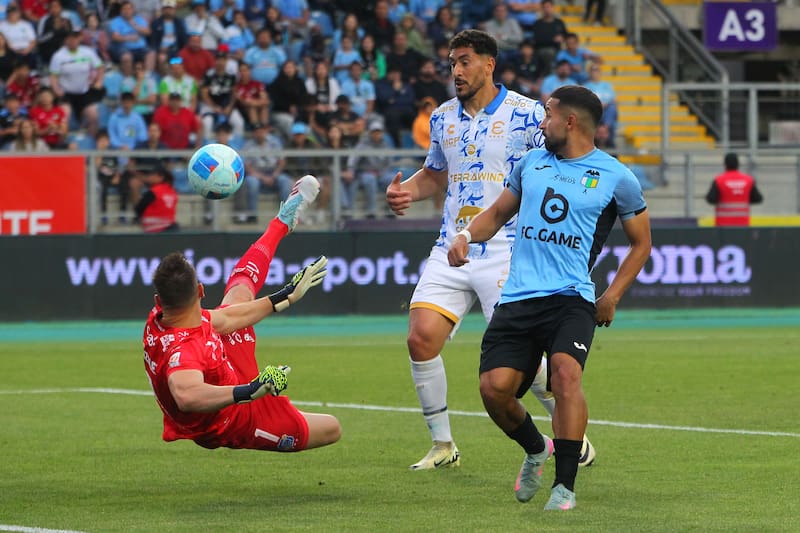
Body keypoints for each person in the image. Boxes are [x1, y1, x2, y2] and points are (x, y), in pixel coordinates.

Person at [385, 30, 594, 472]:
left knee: (525, 359)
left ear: (488, 64)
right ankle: (443, 445)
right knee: (420, 338)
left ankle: (572, 432)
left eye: (464, 62)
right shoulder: (442, 118)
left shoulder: (527, 114)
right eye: (451, 64)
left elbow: (554, 167)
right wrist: (407, 191)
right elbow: (437, 175)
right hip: (452, 244)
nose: (456, 72)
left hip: (509, 248)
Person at [447, 85, 651, 510]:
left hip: (571, 296)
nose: (542, 123)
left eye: (548, 115)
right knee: (494, 390)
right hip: (518, 297)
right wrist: (465, 236)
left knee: (564, 375)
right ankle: (537, 449)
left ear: (570, 121)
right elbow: (499, 213)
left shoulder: (616, 176)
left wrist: (611, 295)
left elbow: (641, 244)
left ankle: (565, 488)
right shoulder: (531, 163)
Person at [142, 176, 342, 454]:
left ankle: (282, 222)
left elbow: (225, 320)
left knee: (237, 296)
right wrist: (250, 390)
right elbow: (187, 395)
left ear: (158, 301)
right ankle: (281, 224)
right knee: (332, 428)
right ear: (200, 290)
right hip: (231, 419)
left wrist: (284, 296)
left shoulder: (160, 318)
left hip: (222, 366)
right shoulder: (184, 351)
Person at [49, 29, 105, 136]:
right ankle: (65, 142)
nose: (73, 40)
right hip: (66, 93)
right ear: (66, 40)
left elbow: (100, 67)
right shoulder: (58, 56)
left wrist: (99, 81)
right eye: (70, 38)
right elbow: (53, 76)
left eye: (75, 37)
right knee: (64, 116)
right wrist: (56, 90)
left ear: (79, 38)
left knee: (94, 117)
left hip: (84, 92)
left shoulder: (87, 52)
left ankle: (90, 142)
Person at [705, 152, 763, 226]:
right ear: (738, 164)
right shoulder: (748, 180)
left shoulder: (719, 180)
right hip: (743, 225)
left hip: (723, 226)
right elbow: (758, 199)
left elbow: (711, 199)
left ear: (725, 164)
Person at [133, 164, 179, 233]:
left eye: (152, 175)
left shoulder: (154, 192)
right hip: (170, 227)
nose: (150, 177)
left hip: (155, 230)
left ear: (160, 177)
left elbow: (138, 208)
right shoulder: (172, 191)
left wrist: (135, 189)